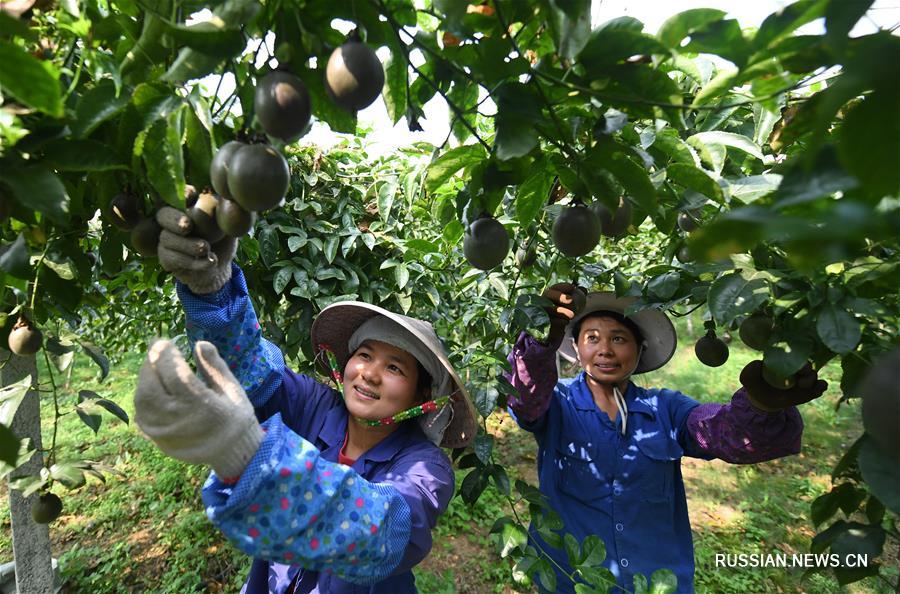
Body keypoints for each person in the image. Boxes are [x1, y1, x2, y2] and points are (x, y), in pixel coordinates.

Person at [133, 207, 476, 594]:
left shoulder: (426, 466)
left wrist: (249, 453)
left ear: (423, 396)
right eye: (364, 355)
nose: (370, 373)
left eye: (395, 368)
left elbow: (386, 530)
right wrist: (212, 289)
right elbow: (252, 372)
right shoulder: (315, 406)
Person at [505, 283, 827, 594]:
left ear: (639, 349)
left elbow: (718, 431)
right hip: (573, 582)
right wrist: (540, 337)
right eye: (592, 338)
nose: (605, 349)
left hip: (656, 583)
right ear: (576, 347)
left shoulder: (664, 408)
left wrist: (761, 404)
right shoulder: (557, 403)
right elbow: (525, 400)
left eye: (618, 338)